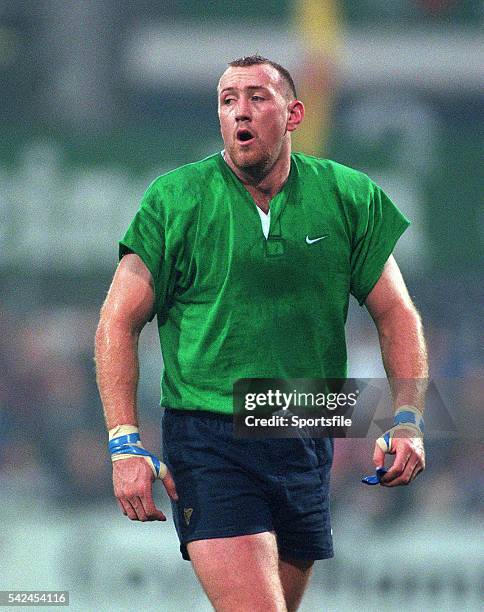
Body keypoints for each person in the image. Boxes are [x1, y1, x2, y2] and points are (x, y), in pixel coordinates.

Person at [95, 55, 427, 612]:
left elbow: (397, 314)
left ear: (294, 113)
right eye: (228, 101)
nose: (239, 111)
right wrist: (123, 443)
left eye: (257, 97)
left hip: (304, 422)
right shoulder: (175, 199)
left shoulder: (349, 196)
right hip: (210, 433)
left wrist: (408, 421)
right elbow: (116, 321)